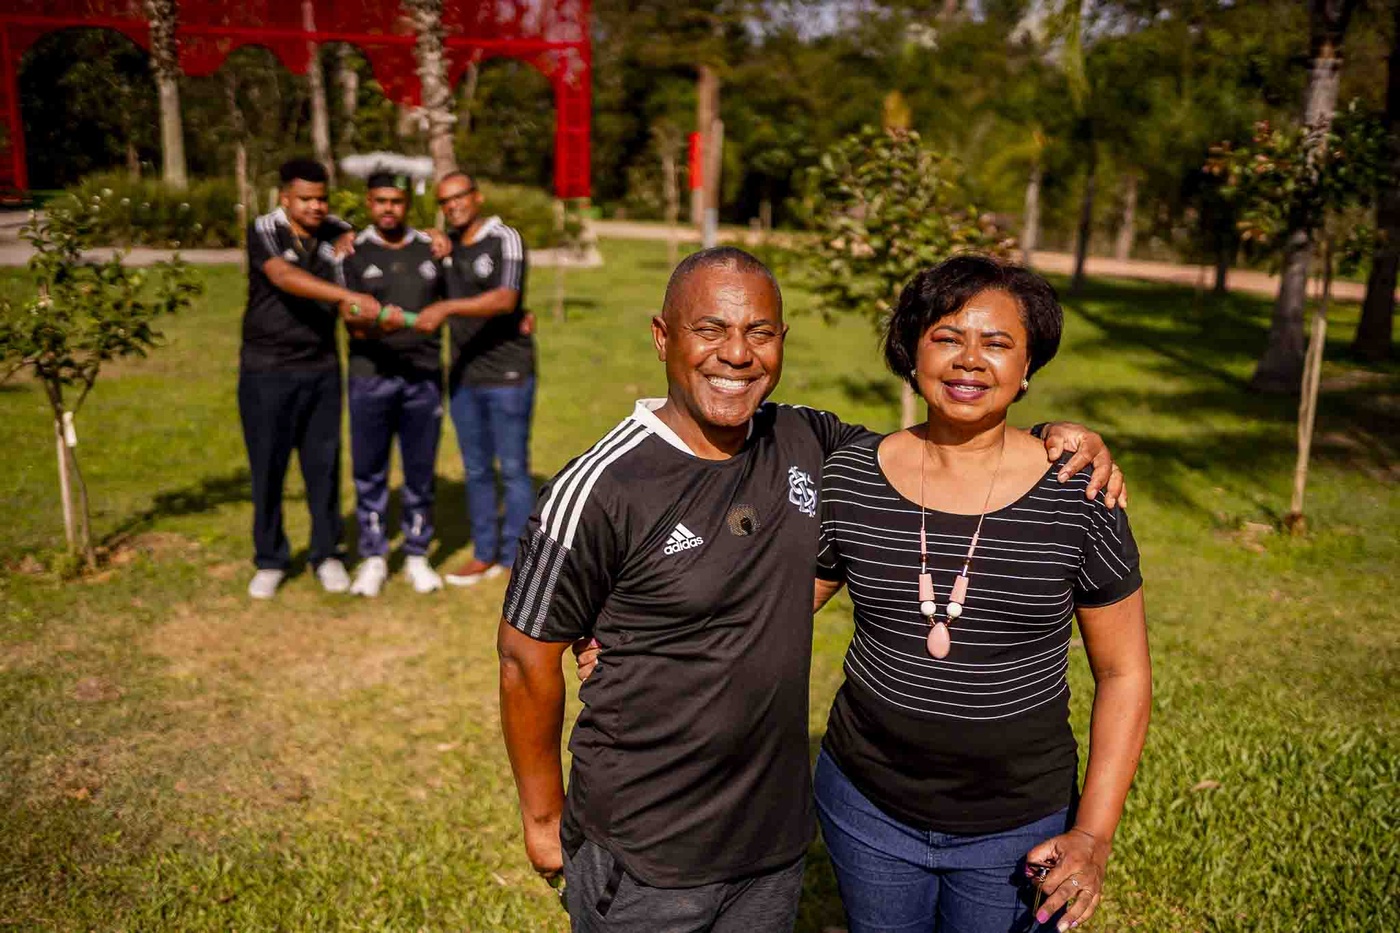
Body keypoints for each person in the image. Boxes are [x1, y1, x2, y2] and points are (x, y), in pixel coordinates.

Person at [498, 247, 1125, 933]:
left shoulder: (804, 439)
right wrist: (544, 819)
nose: (736, 354)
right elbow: (524, 658)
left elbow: (940, 454)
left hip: (772, 839)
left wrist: (1054, 438)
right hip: (646, 842)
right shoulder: (603, 484)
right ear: (662, 336)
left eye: (760, 332)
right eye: (710, 329)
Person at [811, 255, 1151, 933]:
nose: (969, 360)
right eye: (946, 337)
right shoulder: (851, 478)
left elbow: (1124, 672)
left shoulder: (1078, 494)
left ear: (1027, 369)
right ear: (912, 352)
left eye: (996, 343)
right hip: (865, 807)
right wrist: (631, 634)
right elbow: (772, 612)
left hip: (1021, 827)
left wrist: (1092, 834)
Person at [239, 158, 381, 600]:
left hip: (321, 367)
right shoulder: (265, 229)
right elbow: (282, 275)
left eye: (321, 199)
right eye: (306, 199)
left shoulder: (336, 231)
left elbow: (377, 238)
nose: (316, 207)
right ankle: (270, 559)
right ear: (285, 198)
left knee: (323, 466)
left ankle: (327, 553)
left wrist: (434, 237)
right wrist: (346, 296)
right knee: (268, 468)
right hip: (266, 369)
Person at [413, 171, 536, 587]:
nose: (453, 206)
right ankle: (484, 553)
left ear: (477, 197)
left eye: (459, 197)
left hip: (508, 374)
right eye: (445, 201)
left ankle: (517, 557)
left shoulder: (505, 238)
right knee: (477, 469)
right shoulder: (445, 246)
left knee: (513, 469)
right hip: (464, 374)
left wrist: (446, 308)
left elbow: (506, 298)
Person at [335, 171, 446, 597]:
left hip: (423, 375)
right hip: (371, 375)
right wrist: (387, 323)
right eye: (380, 201)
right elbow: (351, 321)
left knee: (420, 469)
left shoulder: (431, 249)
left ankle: (417, 553)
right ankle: (374, 556)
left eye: (396, 201)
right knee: (370, 471)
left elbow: (452, 301)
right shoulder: (352, 251)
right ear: (368, 202)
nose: (388, 209)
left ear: (406, 204)